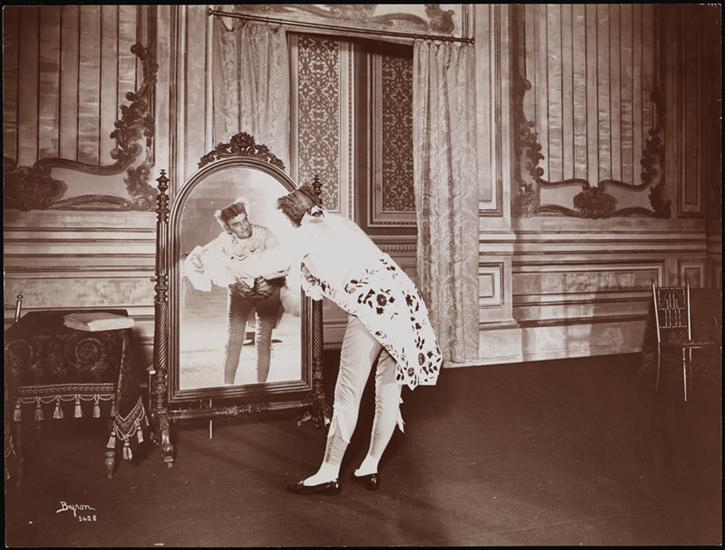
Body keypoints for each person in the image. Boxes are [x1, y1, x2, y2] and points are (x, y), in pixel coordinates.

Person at [243, 183, 442, 494]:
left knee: (348, 392)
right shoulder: (340, 222)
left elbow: (266, 266)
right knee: (389, 391)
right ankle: (369, 467)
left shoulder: (304, 235)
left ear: (292, 218)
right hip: (404, 304)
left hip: (372, 308)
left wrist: (221, 262)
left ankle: (329, 472)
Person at [184, 197, 289, 385]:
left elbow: (283, 262)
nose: (244, 226)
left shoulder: (265, 234)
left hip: (267, 293)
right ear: (228, 229)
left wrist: (269, 280)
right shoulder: (223, 241)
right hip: (240, 293)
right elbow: (203, 258)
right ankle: (228, 387)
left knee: (263, 341)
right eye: (237, 224)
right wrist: (200, 263)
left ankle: (261, 387)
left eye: (245, 219)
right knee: (233, 341)